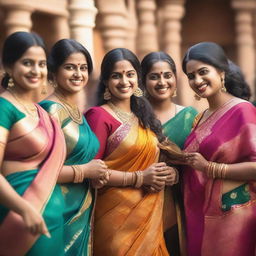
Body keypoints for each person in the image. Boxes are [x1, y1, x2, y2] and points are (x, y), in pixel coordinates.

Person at [85, 48, 184, 255]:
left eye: (130, 74)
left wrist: (171, 174)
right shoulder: (99, 116)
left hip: (150, 216)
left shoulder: (143, 116)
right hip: (114, 220)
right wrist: (140, 177)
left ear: (137, 78)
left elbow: (160, 158)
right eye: (116, 76)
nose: (124, 81)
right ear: (106, 81)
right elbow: (94, 173)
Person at [182, 42, 256, 256]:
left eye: (203, 72)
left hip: (234, 213)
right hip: (198, 213)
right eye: (191, 75)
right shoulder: (202, 117)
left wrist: (211, 168)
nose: (197, 80)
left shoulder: (243, 110)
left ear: (221, 72)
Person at [40, 39, 108, 255]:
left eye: (83, 68)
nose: (78, 74)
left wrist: (95, 175)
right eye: (70, 67)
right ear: (54, 72)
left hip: (81, 206)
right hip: (56, 208)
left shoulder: (78, 112)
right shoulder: (49, 111)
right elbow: (39, 171)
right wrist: (84, 171)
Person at [0, 31, 66, 255]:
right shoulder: (4, 108)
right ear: (9, 66)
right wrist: (24, 209)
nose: (36, 70)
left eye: (41, 64)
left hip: (52, 218)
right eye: (27, 63)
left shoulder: (43, 113)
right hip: (18, 218)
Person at [141, 51, 198, 256]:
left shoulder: (191, 117)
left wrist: (178, 174)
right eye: (154, 76)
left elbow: (199, 165)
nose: (162, 81)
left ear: (175, 78)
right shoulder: (134, 118)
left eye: (167, 75)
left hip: (177, 205)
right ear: (143, 81)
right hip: (137, 201)